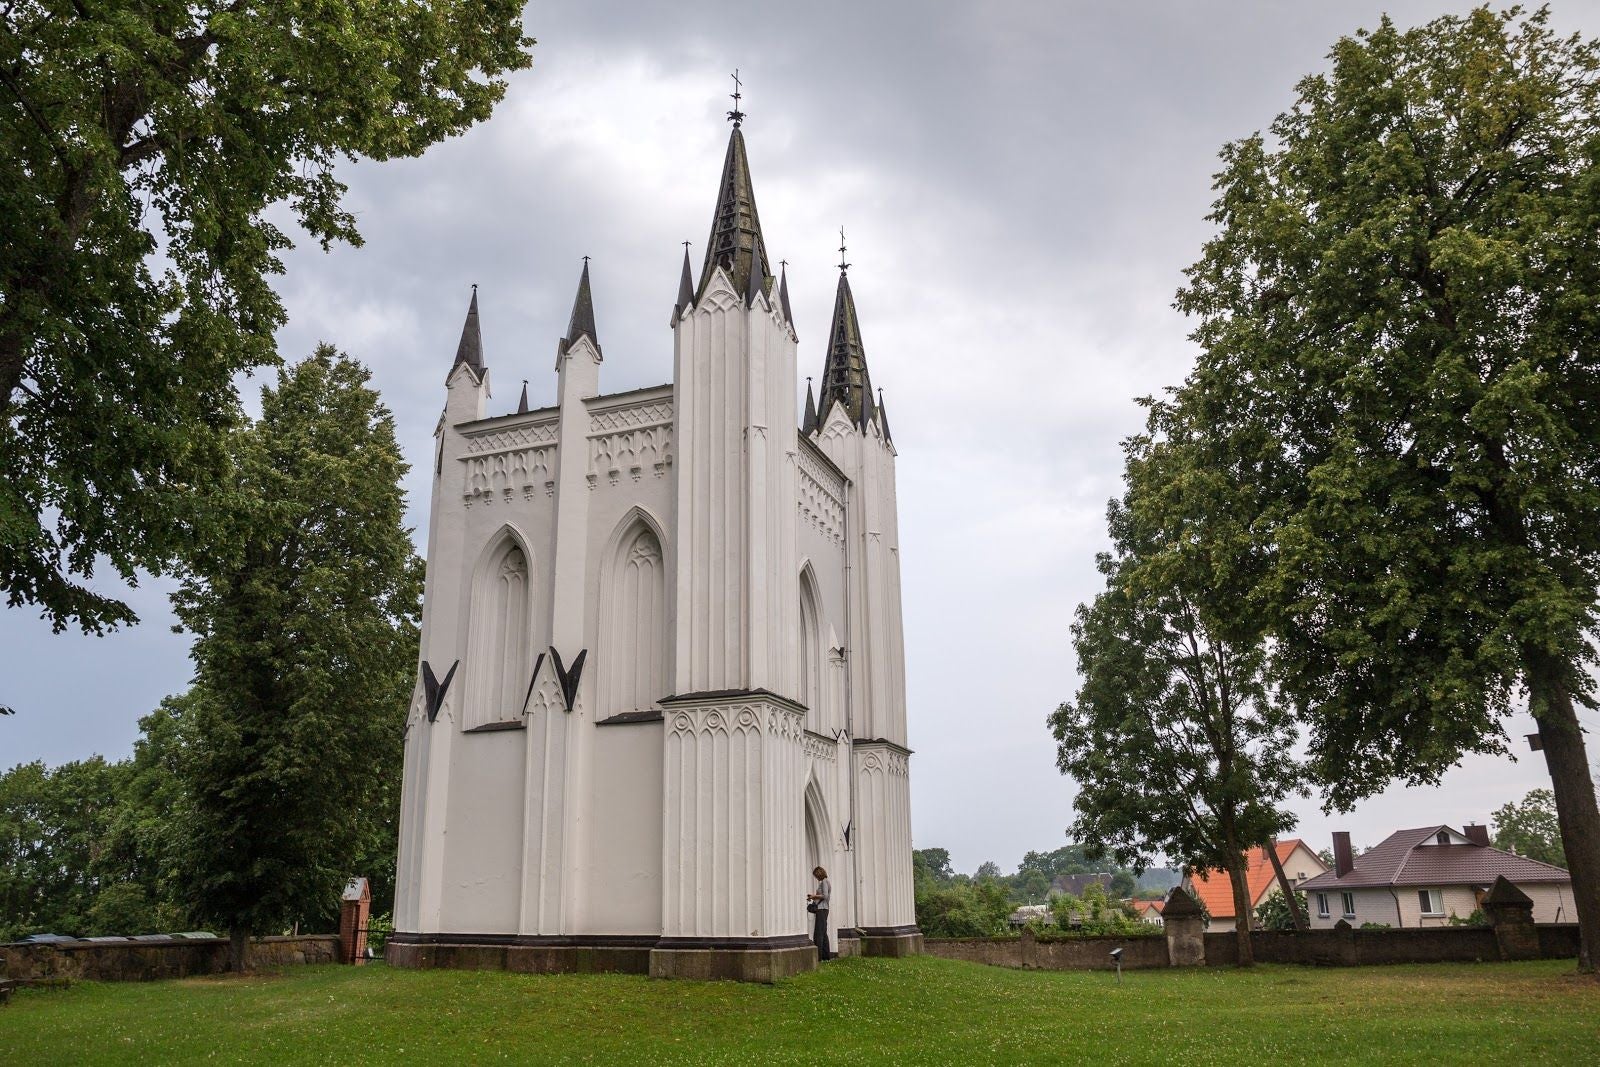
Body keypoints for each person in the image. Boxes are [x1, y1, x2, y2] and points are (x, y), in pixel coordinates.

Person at [807, 865, 832, 961]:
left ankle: (819, 957)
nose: (816, 877)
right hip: (824, 909)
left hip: (822, 909)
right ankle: (826, 956)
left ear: (819, 874)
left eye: (816, 875)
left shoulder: (824, 882)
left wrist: (813, 896)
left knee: (819, 933)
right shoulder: (826, 882)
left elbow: (825, 896)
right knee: (823, 933)